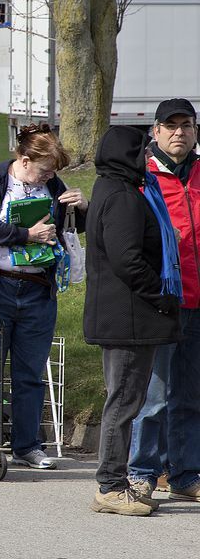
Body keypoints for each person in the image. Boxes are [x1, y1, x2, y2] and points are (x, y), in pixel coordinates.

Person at [0, 123, 87, 470]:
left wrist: (81, 207)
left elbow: (70, 227)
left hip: (36, 290)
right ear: (23, 158)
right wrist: (26, 234)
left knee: (30, 373)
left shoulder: (51, 185)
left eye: (52, 172)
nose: (48, 177)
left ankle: (27, 445)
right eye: (44, 169)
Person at [84, 125, 181, 516]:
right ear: (126, 155)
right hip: (129, 317)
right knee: (124, 401)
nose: (146, 158)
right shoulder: (123, 196)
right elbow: (127, 260)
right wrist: (160, 297)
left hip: (125, 315)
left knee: (123, 399)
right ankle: (110, 486)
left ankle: (115, 481)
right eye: (142, 151)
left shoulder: (111, 188)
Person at [129, 98, 200, 503]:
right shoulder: (143, 175)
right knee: (153, 398)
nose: (179, 132)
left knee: (190, 397)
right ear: (154, 132)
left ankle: (186, 473)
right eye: (170, 125)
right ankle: (142, 471)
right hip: (162, 302)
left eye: (186, 125)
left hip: (198, 302)